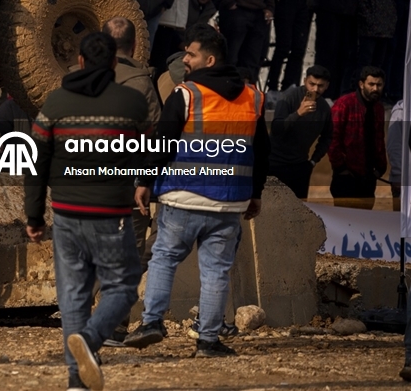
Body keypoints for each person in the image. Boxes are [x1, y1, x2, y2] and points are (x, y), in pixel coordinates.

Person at [126, 24, 268, 358]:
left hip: (183, 197)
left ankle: (151, 323)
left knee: (164, 257)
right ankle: (207, 341)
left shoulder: (187, 94)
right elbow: (261, 151)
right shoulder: (253, 98)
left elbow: (163, 142)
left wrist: (145, 181)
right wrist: (256, 192)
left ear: (209, 58)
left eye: (191, 54)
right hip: (230, 203)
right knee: (217, 271)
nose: (185, 59)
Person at [26, 32, 147, 391]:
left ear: (79, 60)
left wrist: (34, 216)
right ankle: (91, 340)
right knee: (123, 288)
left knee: (73, 295)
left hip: (65, 214)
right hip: (111, 214)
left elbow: (36, 163)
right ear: (114, 64)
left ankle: (77, 382)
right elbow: (150, 151)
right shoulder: (132, 103)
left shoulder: (55, 104)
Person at [268, 66, 332, 199]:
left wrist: (313, 161)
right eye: (312, 84)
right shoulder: (288, 97)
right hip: (274, 164)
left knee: (299, 212)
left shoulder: (324, 108)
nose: (315, 89)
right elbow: (276, 128)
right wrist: (298, 113)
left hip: (300, 166)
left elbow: (327, 137)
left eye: (320, 86)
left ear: (327, 86)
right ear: (305, 81)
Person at [328, 66, 386, 210]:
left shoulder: (378, 108)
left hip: (368, 176)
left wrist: (380, 167)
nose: (375, 88)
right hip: (347, 177)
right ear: (361, 84)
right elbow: (331, 138)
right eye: (371, 84)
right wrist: (341, 167)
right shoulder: (344, 104)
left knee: (364, 224)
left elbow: (379, 139)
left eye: (379, 85)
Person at [387, 99, 404, 212]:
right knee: (402, 224)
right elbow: (395, 146)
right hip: (405, 180)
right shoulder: (402, 111)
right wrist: (398, 175)